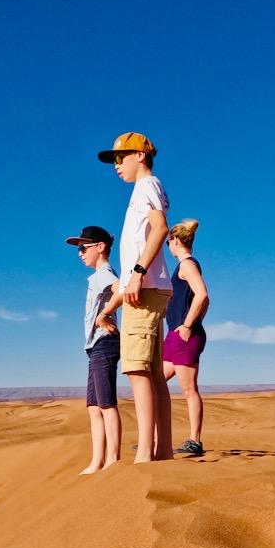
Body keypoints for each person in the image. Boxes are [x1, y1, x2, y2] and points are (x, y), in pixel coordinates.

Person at [96, 132, 173, 462]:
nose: (116, 165)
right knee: (152, 372)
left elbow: (160, 228)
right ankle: (163, 449)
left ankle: (145, 454)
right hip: (145, 287)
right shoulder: (143, 190)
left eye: (120, 157)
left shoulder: (147, 186)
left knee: (136, 368)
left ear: (139, 155)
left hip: (146, 287)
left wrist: (139, 273)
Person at [65, 225, 122, 474]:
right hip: (94, 345)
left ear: (100, 247)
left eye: (83, 247)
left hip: (104, 342)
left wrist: (105, 315)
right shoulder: (98, 276)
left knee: (107, 404)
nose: (80, 253)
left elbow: (121, 289)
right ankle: (97, 461)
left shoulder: (105, 274)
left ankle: (112, 460)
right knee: (93, 406)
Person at [163, 219, 210, 456]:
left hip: (183, 335)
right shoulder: (184, 266)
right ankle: (157, 439)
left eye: (168, 241)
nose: (167, 246)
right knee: (155, 382)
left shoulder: (187, 265)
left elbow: (203, 295)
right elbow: (205, 301)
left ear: (177, 241)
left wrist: (189, 325)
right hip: (176, 335)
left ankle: (194, 441)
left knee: (189, 389)